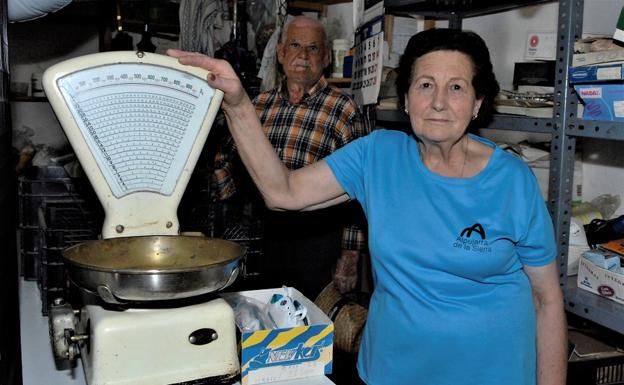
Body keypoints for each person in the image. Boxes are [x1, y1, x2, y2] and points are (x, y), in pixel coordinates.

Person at [168, 27, 567, 385]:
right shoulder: (377, 156)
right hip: (391, 372)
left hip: (493, 374)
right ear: (407, 99)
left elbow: (547, 299)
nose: (439, 102)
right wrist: (237, 104)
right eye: (425, 85)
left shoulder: (512, 180)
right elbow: (283, 192)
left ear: (478, 102)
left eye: (457, 87)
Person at [211, 16, 369, 299]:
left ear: (325, 58)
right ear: (281, 53)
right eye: (295, 45)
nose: (303, 56)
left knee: (311, 327)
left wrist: (350, 256)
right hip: (260, 236)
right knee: (258, 321)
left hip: (317, 242)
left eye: (313, 48)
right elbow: (225, 164)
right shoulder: (256, 106)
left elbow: (359, 193)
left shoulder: (343, 110)